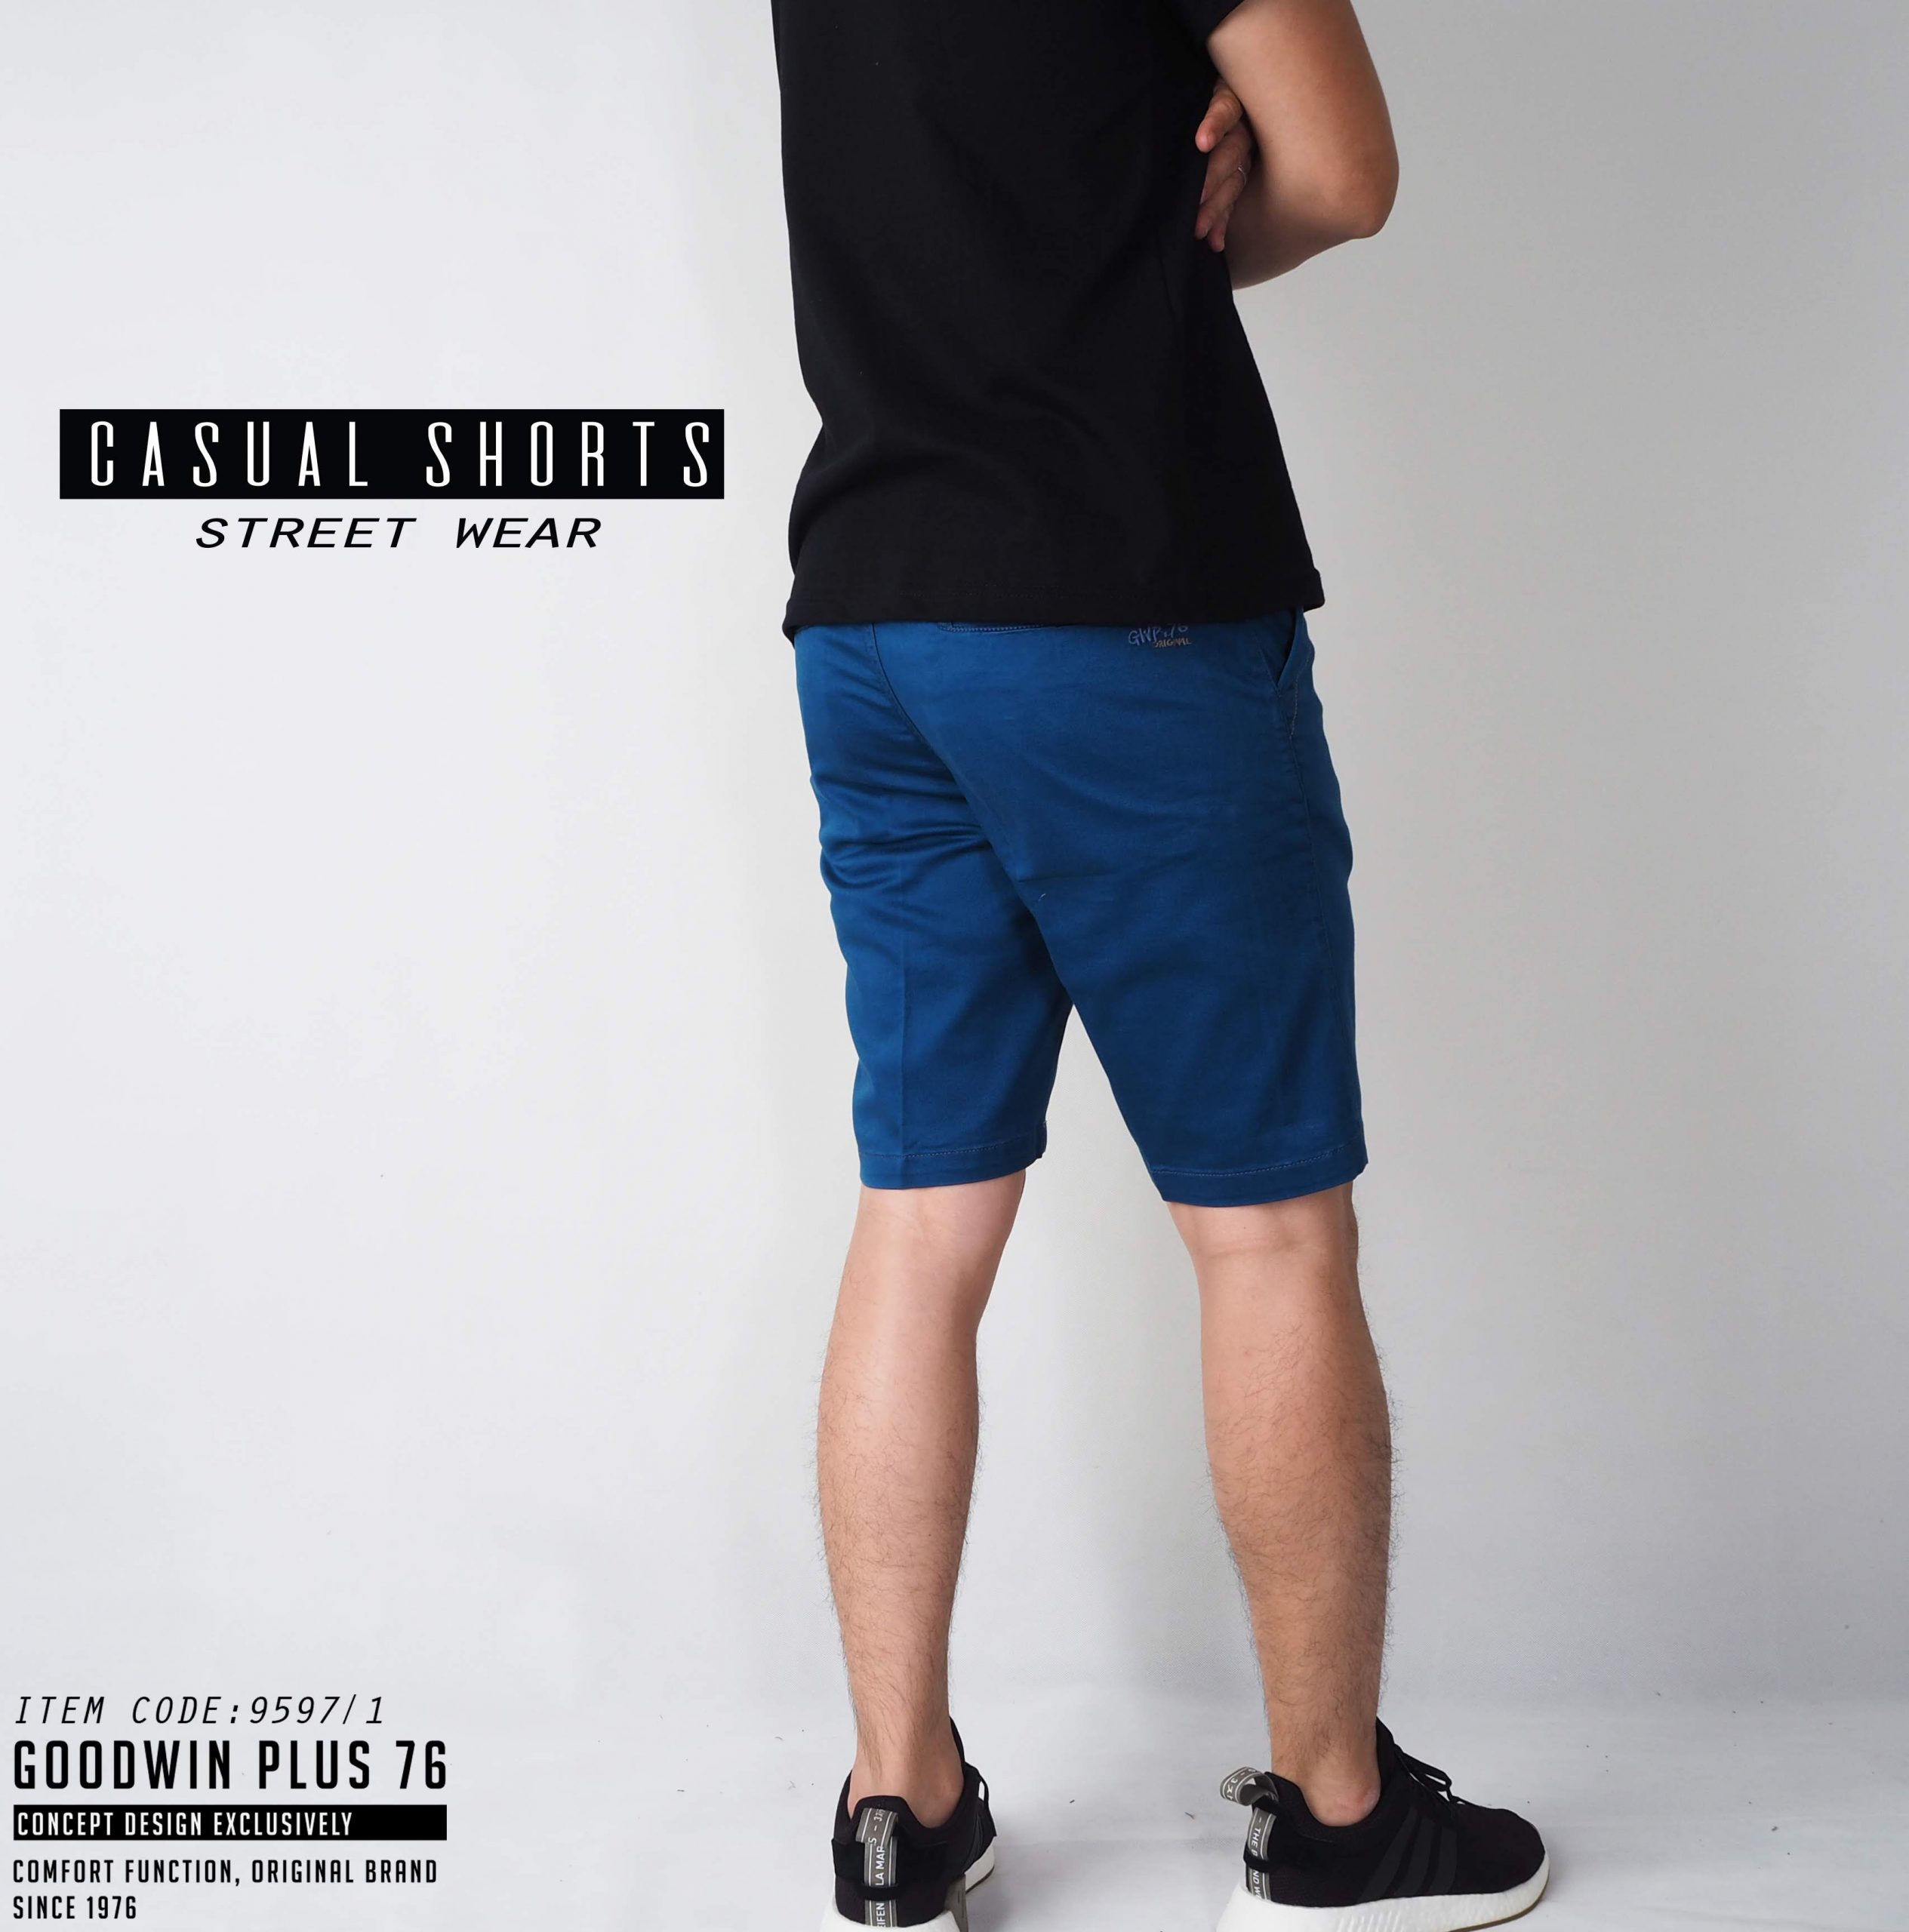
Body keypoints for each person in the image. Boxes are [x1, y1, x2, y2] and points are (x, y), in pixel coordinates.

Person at [768, 0, 1549, 1925]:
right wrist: (1179, 212)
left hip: (875, 607)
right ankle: (1343, 1817)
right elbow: (1342, 174)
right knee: (1264, 1231)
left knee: (919, 1219)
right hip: (1122, 596)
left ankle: (896, 1806)